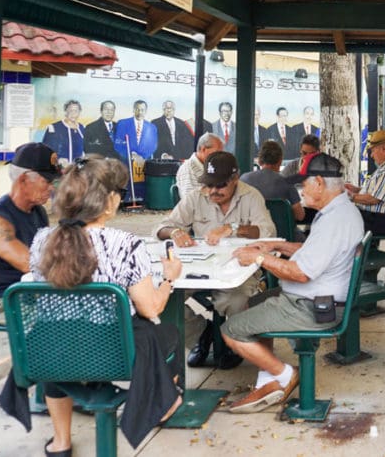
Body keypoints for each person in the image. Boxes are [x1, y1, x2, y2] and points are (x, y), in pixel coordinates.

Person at [24, 156, 184, 452]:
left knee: (57, 332)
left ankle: (60, 442)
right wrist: (169, 278)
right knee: (168, 333)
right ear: (109, 200)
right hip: (114, 355)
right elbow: (151, 309)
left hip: (51, 352)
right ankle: (163, 399)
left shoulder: (42, 240)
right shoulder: (125, 243)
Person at [221, 153, 363, 412]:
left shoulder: (334, 221)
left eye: (303, 184)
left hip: (312, 307)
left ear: (319, 182)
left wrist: (260, 257)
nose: (299, 191)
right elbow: (313, 251)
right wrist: (276, 245)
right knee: (253, 302)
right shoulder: (339, 210)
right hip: (320, 299)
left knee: (231, 329)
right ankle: (269, 377)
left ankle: (285, 375)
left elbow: (300, 273)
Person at [156, 151, 275, 369]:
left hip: (239, 269)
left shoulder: (251, 196)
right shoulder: (196, 196)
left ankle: (233, 342)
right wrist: (174, 233)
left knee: (237, 300)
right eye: (209, 185)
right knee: (164, 297)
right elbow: (161, 226)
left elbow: (267, 231)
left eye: (220, 185)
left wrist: (234, 228)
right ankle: (202, 337)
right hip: (200, 267)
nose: (212, 191)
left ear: (235, 179)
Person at [0, 143, 62, 305]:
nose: (52, 188)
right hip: (4, 299)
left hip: (31, 292)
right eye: (47, 181)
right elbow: (30, 264)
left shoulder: (38, 211)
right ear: (24, 179)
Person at [241, 140, 303, 223]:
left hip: (251, 232)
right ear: (280, 161)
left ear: (259, 160)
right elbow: (300, 216)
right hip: (282, 233)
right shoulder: (287, 182)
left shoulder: (244, 179)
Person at [175, 132, 224, 200]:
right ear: (203, 149)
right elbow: (191, 201)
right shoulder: (189, 168)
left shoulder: (210, 166)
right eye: (217, 152)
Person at [114, 99, 158, 165]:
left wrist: (141, 157)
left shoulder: (152, 127)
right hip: (126, 164)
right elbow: (118, 144)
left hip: (143, 164)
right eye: (137, 109)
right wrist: (132, 155)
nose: (140, 112)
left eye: (142, 110)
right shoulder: (122, 124)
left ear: (146, 111)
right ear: (133, 110)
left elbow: (153, 146)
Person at [41, 100, 85, 165]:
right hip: (60, 169)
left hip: (77, 170)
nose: (73, 113)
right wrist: (58, 160)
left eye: (76, 111)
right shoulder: (54, 128)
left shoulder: (82, 128)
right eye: (70, 110)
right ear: (65, 112)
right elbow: (46, 151)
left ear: (79, 112)